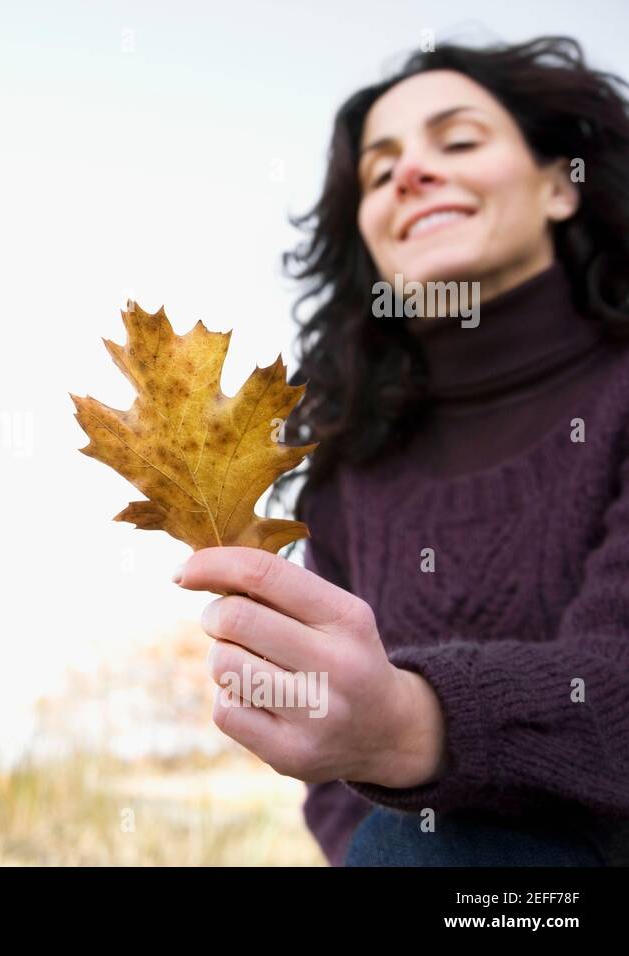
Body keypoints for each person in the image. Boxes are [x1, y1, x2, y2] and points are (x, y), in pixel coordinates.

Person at [172, 35, 629, 866]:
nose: (410, 173)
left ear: (561, 186)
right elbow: (340, 792)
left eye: (458, 142)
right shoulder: (350, 472)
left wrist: (409, 726)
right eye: (379, 172)